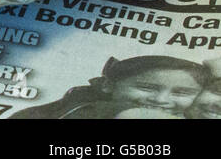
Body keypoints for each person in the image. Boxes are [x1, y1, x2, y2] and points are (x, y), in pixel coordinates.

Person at [11, 56, 210, 118]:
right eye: (147, 88)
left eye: (182, 92)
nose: (161, 100)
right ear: (108, 85)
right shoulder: (81, 111)